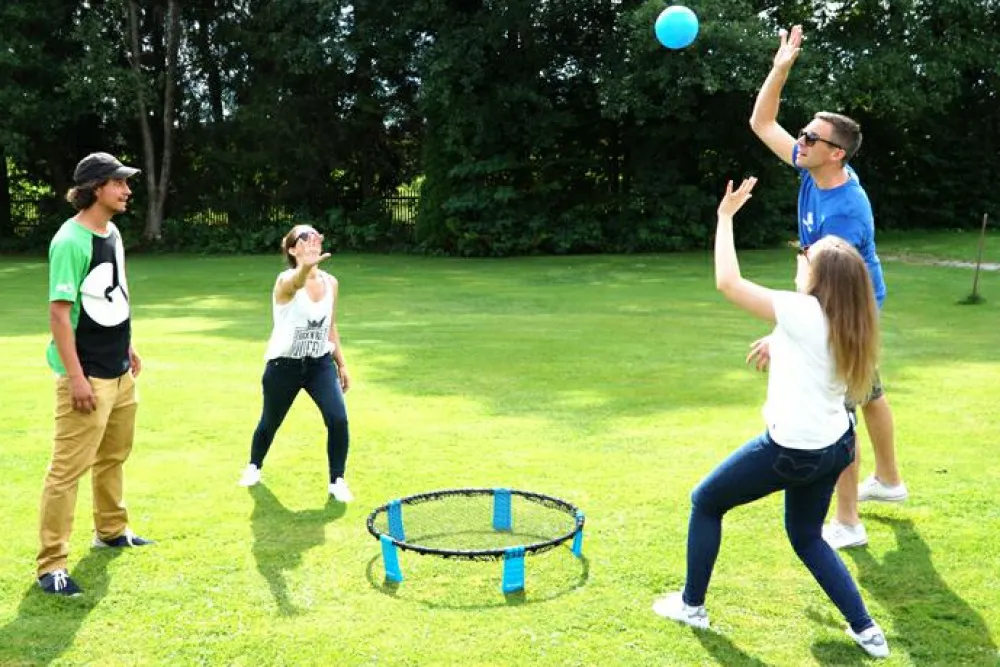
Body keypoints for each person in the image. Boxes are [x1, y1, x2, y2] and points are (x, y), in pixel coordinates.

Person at [652, 177, 890, 659]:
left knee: (705, 501)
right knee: (806, 537)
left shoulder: (803, 312)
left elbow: (729, 283)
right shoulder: (853, 321)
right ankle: (867, 630)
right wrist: (777, 341)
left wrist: (724, 218)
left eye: (805, 257)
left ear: (820, 279)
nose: (799, 260)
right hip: (835, 446)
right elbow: (810, 343)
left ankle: (691, 605)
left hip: (792, 451)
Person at [747, 25, 908, 550]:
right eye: (804, 133)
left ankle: (848, 522)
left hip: (847, 308)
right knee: (868, 390)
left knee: (838, 412)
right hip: (849, 298)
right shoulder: (813, 171)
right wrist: (780, 68)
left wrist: (782, 336)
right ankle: (889, 480)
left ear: (837, 153)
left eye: (812, 138)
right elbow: (761, 122)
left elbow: (820, 295)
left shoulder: (843, 213)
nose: (802, 141)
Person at [38, 152, 153, 597]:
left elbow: (113, 294)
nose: (126, 190)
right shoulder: (70, 240)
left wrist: (128, 344)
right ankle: (51, 566)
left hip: (119, 370)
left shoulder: (113, 232)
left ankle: (111, 530)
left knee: (113, 456)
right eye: (118, 183)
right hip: (88, 376)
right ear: (95, 188)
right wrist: (77, 378)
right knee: (66, 471)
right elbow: (59, 315)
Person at [238, 225, 354, 502]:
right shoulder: (285, 281)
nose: (312, 240)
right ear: (292, 249)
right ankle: (254, 466)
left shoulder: (331, 283)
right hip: (284, 366)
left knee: (338, 418)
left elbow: (330, 326)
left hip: (319, 365)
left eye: (315, 235)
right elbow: (296, 284)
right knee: (270, 421)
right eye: (304, 237)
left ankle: (337, 480)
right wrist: (305, 268)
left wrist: (342, 364)